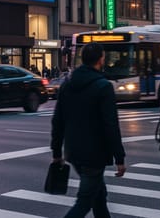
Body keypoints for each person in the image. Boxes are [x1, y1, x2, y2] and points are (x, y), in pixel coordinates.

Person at [51, 43, 126, 218]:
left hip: (73, 152)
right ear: (101, 59)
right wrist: (119, 157)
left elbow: (57, 121)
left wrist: (56, 151)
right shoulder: (103, 86)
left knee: (99, 197)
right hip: (95, 154)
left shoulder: (67, 84)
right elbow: (111, 125)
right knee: (84, 202)